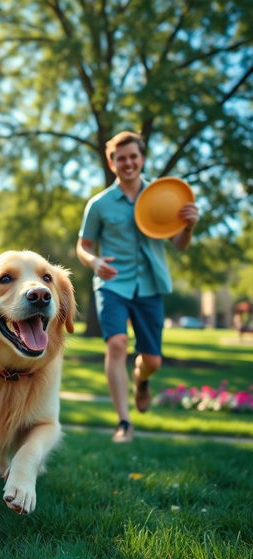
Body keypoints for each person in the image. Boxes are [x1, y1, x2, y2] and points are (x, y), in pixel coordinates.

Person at [76, 131, 199, 443]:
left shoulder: (163, 196)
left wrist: (189, 226)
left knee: (152, 361)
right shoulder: (100, 204)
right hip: (112, 283)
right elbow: (83, 245)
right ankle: (124, 423)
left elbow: (180, 245)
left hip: (150, 285)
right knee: (116, 344)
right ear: (111, 161)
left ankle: (141, 380)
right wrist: (94, 262)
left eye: (133, 157)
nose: (128, 163)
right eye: (121, 158)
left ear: (142, 158)